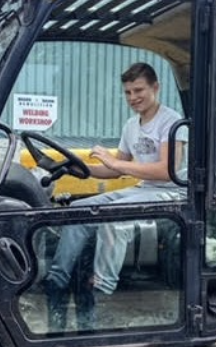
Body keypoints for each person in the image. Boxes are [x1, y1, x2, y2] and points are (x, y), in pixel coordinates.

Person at [42, 62, 188, 331]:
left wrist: (116, 164)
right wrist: (79, 169)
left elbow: (167, 170)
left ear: (156, 87)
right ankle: (57, 280)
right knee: (78, 209)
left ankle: (102, 289)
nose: (133, 98)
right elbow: (114, 169)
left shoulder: (171, 121)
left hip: (171, 191)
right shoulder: (131, 125)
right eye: (128, 92)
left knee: (112, 217)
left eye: (139, 90)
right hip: (143, 188)